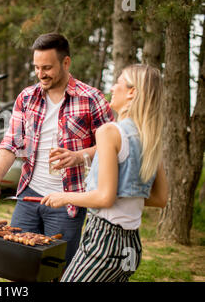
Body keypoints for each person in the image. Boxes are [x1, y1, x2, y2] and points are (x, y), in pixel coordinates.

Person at [0, 33, 114, 268]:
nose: (41, 74)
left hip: (67, 201)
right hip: (29, 195)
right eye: (37, 68)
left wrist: (80, 156)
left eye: (47, 67)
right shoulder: (27, 97)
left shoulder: (92, 99)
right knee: (19, 266)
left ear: (66, 63)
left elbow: (111, 146)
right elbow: (10, 143)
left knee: (57, 270)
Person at [41, 64, 168, 282]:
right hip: (131, 246)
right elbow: (159, 199)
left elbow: (104, 197)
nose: (112, 86)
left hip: (104, 242)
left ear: (132, 92)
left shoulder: (110, 131)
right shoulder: (150, 137)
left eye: (118, 81)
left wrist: (64, 197)